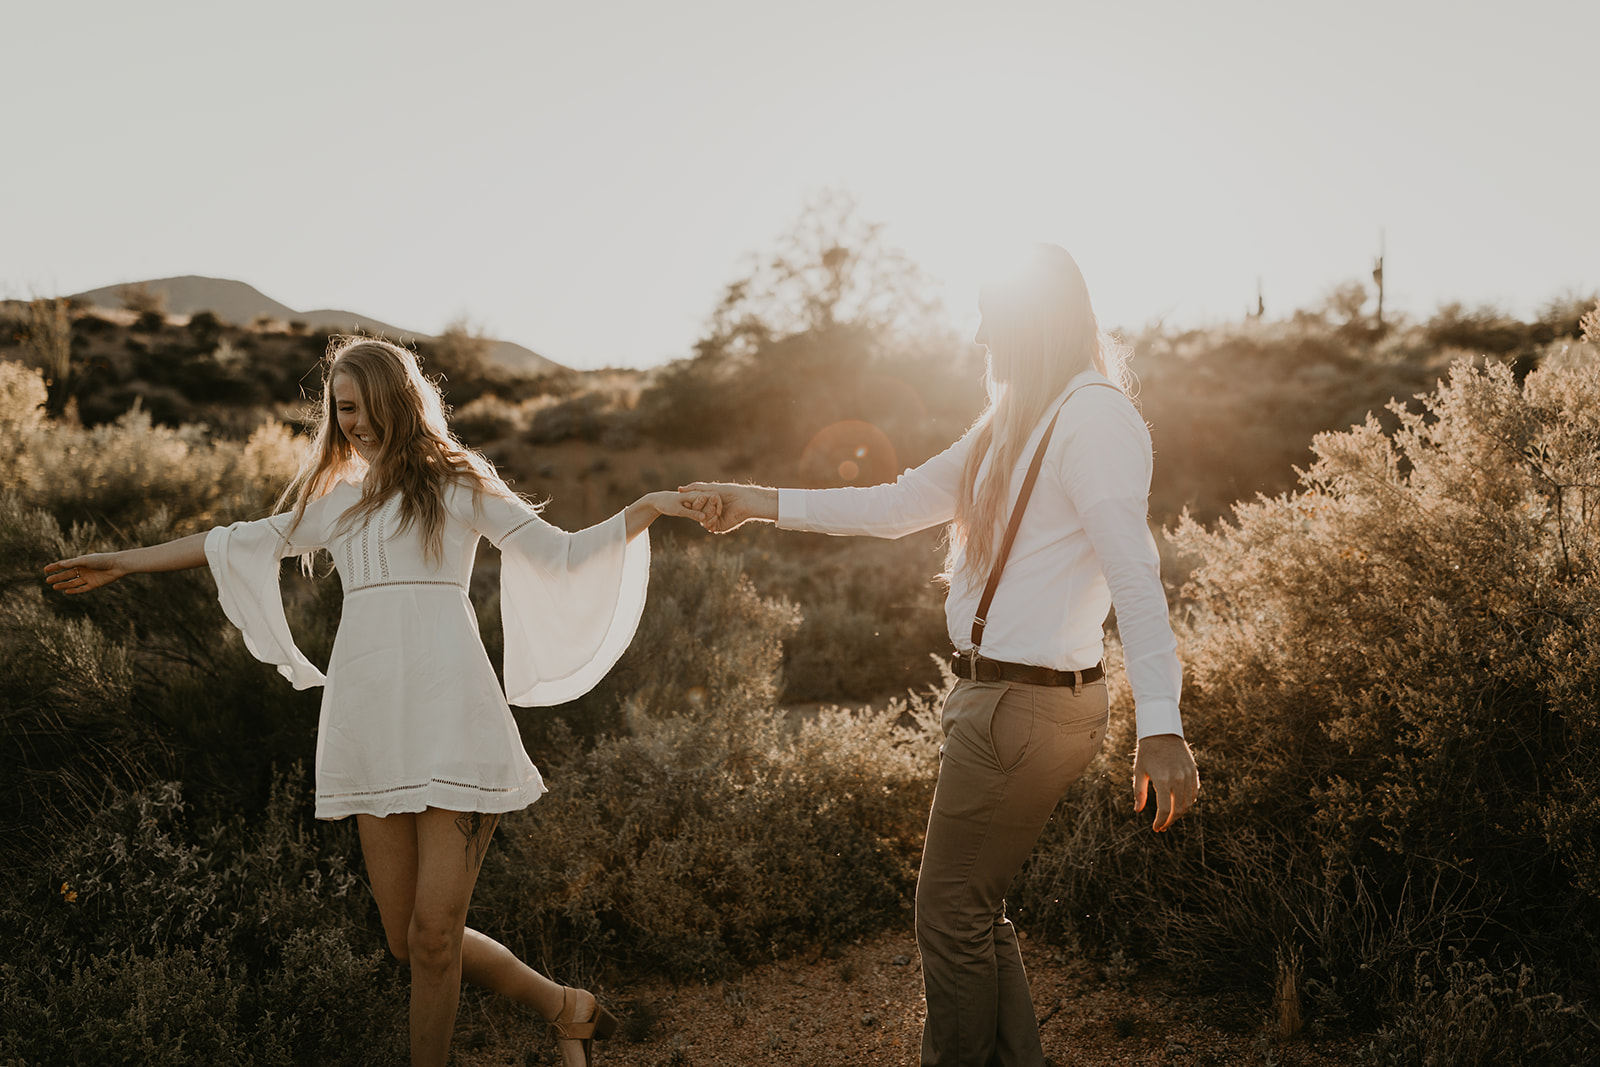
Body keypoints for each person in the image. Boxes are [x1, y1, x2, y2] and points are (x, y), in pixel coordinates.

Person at [45, 336, 718, 1067]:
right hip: (369, 725)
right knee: (408, 939)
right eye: (341, 411)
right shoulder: (334, 503)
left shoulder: (459, 482)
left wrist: (648, 506)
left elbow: (559, 553)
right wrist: (122, 562)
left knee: (436, 937)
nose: (353, 424)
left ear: (401, 400)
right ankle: (566, 1007)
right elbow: (233, 541)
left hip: (454, 718)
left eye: (364, 407)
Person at [685, 244, 1200, 1067]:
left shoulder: (1093, 417)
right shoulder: (1019, 416)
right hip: (1007, 702)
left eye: (992, 316)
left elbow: (1135, 577)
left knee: (947, 913)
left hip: (1024, 708)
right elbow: (896, 505)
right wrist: (757, 505)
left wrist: (1164, 725)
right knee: (973, 909)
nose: (978, 334)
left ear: (1033, 321)